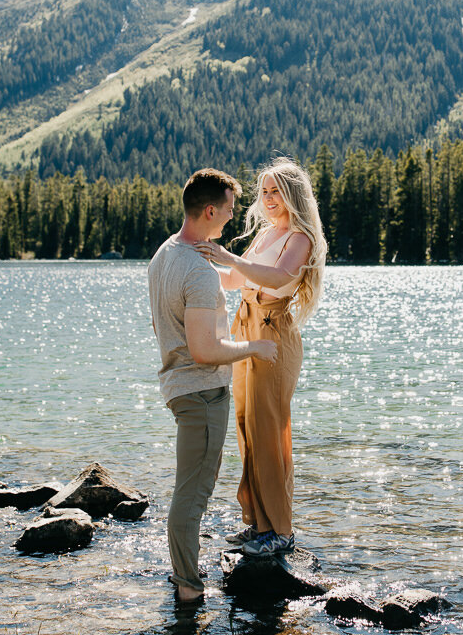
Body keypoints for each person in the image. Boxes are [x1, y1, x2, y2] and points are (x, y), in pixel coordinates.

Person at [149, 168, 279, 602]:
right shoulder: (198, 271)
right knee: (193, 495)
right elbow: (205, 350)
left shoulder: (166, 254)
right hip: (202, 392)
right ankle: (188, 591)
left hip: (179, 387)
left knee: (189, 490)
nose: (231, 217)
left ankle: (183, 580)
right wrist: (254, 348)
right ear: (209, 210)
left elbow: (166, 322)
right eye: (228, 209)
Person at [195, 157, 327, 558]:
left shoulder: (300, 237)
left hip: (274, 332)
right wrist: (195, 268)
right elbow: (237, 280)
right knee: (246, 425)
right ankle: (256, 523)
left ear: (292, 195)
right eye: (264, 191)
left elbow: (277, 278)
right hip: (246, 327)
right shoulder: (267, 234)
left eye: (276, 191)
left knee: (269, 430)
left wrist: (230, 257)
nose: (268, 199)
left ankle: (281, 531)